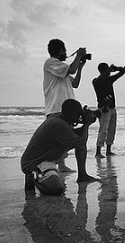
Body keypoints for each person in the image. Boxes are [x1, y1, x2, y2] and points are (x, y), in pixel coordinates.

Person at [21, 99, 98, 196]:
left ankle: (82, 175)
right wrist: (86, 124)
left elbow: (78, 139)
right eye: (78, 114)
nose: (79, 116)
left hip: (45, 159)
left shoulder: (60, 118)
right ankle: (32, 176)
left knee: (80, 140)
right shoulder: (59, 124)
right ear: (72, 114)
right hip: (33, 163)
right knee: (57, 189)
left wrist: (86, 122)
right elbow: (80, 142)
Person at [43, 38, 88, 171]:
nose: (66, 53)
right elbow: (71, 70)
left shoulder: (61, 68)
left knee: (63, 140)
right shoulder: (51, 62)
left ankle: (61, 165)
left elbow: (75, 83)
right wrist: (78, 56)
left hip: (66, 109)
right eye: (64, 50)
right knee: (60, 140)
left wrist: (80, 66)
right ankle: (50, 164)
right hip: (56, 108)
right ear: (60, 50)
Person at [92, 58, 125, 158]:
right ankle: (98, 151)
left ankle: (108, 150)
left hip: (112, 107)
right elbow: (100, 79)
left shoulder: (108, 80)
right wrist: (111, 69)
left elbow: (121, 74)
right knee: (103, 129)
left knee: (112, 129)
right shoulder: (96, 81)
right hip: (104, 108)